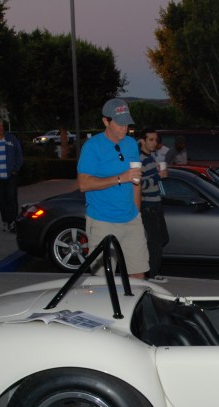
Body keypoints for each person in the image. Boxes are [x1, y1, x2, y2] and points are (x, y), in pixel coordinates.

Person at [76, 98, 149, 280]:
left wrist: (137, 213)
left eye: (127, 124)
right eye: (119, 124)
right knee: (103, 280)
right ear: (105, 121)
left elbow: (135, 181)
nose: (124, 128)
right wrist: (120, 178)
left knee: (138, 274)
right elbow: (83, 184)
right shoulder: (92, 147)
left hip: (131, 219)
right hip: (103, 221)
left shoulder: (131, 144)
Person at [139, 128, 170, 281]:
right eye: (150, 140)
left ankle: (149, 269)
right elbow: (139, 185)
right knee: (155, 241)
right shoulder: (139, 159)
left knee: (163, 238)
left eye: (155, 140)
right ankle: (151, 274)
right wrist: (158, 176)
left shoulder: (150, 157)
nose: (154, 143)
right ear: (142, 141)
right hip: (148, 206)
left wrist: (157, 173)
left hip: (156, 203)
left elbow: (148, 179)